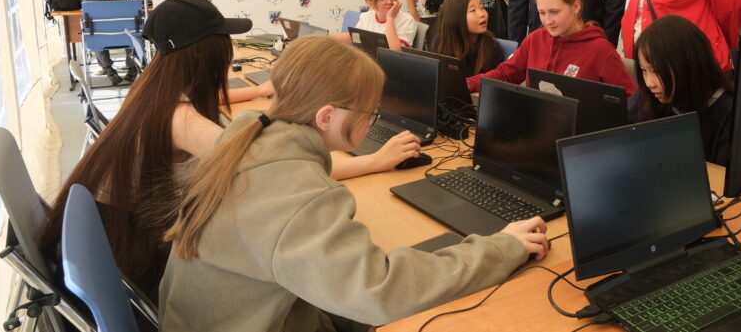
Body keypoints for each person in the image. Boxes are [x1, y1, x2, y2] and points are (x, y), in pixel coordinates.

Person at [159, 36, 548, 331]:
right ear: (326, 116)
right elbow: (384, 292)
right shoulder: (298, 195)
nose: (372, 120)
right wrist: (503, 249)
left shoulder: (250, 136)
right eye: (369, 111)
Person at [39, 0, 269, 302]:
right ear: (206, 54)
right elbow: (265, 168)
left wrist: (261, 99)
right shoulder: (182, 120)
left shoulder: (151, 92)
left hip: (113, 249)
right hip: (141, 265)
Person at [467, 0, 635, 96]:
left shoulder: (601, 51)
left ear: (576, 7)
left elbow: (629, 101)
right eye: (542, 13)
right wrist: (466, 84)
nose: (547, 21)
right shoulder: (536, 39)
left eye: (554, 12)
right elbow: (505, 74)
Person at [630, 16, 734, 166]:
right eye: (643, 70)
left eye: (657, 71)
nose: (649, 83)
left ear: (688, 65)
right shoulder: (648, 96)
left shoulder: (729, 113)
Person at [428, 0, 504, 78]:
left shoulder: (492, 47)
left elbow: (492, 82)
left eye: (482, 7)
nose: (482, 14)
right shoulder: (441, 42)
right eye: (473, 10)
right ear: (455, 17)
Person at [335, 0, 417, 52]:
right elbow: (354, 39)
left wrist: (390, 18)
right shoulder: (366, 17)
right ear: (369, 3)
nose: (389, 1)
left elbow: (396, 53)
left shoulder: (407, 20)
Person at [93, 0, 140, 85]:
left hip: (104, 41)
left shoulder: (93, 7)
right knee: (135, 34)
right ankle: (132, 69)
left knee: (94, 37)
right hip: (126, 39)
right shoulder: (130, 6)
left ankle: (109, 70)